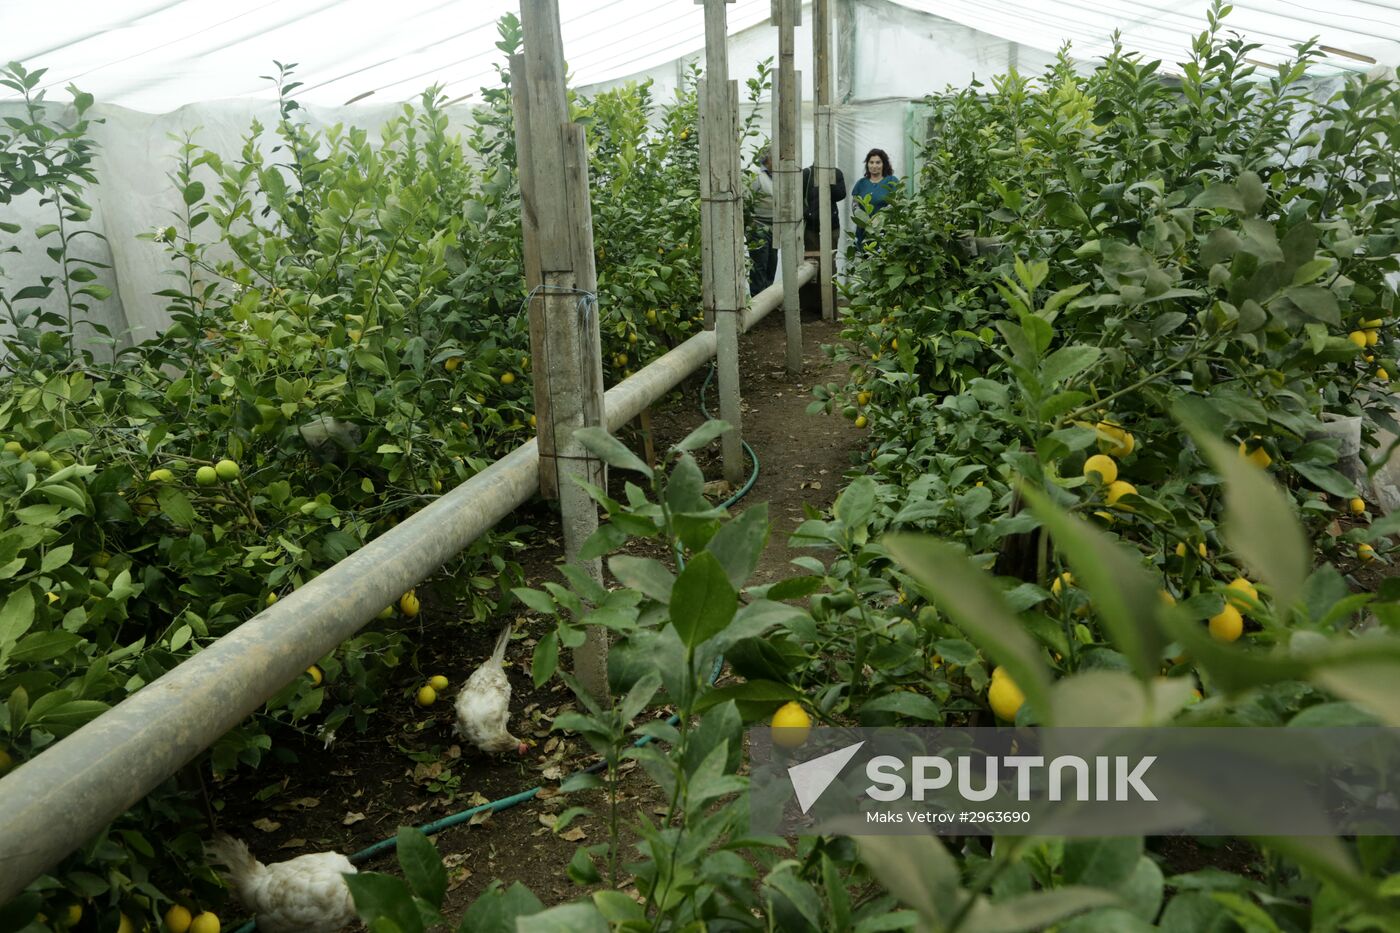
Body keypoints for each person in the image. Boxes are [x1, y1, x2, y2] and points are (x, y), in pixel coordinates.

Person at [851, 147, 899, 251]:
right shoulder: (861, 184)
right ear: (867, 164)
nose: (874, 166)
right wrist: (865, 220)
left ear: (884, 164)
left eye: (878, 162)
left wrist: (881, 217)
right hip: (864, 232)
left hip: (886, 232)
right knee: (865, 261)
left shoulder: (892, 181)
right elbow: (855, 206)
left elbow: (896, 202)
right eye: (871, 162)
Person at [748, 149, 778, 296]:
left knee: (772, 262)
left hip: (775, 225)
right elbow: (747, 200)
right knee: (759, 264)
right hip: (758, 224)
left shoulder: (778, 175)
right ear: (768, 159)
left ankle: (768, 299)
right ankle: (758, 298)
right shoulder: (755, 174)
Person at [801, 162, 847, 253]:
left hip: (832, 225)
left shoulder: (836, 173)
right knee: (812, 260)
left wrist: (830, 181)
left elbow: (841, 195)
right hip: (811, 226)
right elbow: (798, 197)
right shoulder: (807, 173)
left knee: (830, 261)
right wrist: (807, 213)